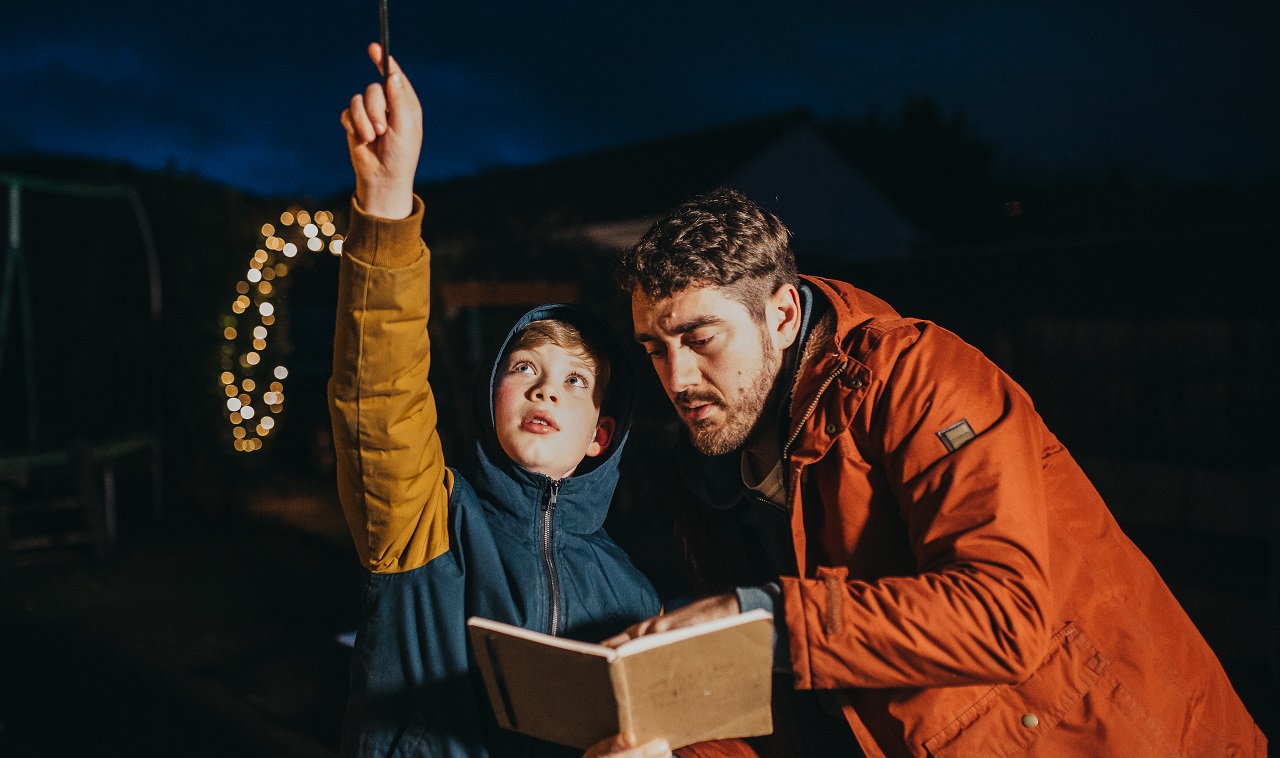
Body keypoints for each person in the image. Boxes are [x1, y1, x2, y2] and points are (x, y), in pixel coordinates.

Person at [604, 187, 1267, 756]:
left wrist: (762, 617)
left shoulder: (917, 378)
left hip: (1112, 736)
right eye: (654, 349)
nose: (677, 378)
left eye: (698, 339)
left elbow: (1004, 613)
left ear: (779, 315)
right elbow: (771, 709)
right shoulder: (713, 470)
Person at [330, 44, 663, 757]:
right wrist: (387, 204)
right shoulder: (424, 521)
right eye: (525, 366)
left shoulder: (634, 596)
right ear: (493, 398)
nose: (546, 385)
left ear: (601, 435)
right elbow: (380, 396)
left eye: (575, 379)